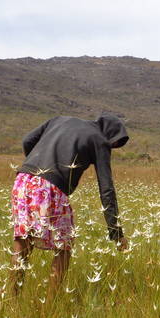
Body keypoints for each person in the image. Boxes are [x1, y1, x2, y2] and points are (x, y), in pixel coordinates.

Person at [9, 114, 130, 298]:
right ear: (110, 136)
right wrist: (116, 232)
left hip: (23, 180)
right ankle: (51, 305)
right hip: (50, 187)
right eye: (114, 144)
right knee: (64, 247)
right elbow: (106, 189)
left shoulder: (60, 120)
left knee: (23, 242)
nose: (112, 148)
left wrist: (37, 165)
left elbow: (27, 140)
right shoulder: (99, 140)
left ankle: (11, 299)